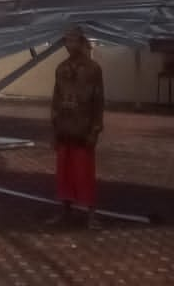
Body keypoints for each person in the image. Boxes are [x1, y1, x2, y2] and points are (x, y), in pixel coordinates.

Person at [47, 26, 104, 229]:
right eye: (67, 41)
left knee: (85, 173)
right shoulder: (61, 69)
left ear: (81, 42)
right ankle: (65, 210)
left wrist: (95, 130)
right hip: (64, 128)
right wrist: (53, 130)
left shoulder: (93, 69)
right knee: (64, 173)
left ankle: (91, 214)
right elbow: (56, 100)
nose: (70, 45)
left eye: (74, 41)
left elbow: (98, 102)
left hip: (83, 129)